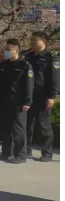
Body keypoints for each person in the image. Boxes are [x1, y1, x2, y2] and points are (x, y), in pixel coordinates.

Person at [0, 39, 33, 164]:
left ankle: (20, 155)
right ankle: (6, 152)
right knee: (5, 128)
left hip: (18, 102)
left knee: (18, 130)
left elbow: (28, 85)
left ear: (16, 51)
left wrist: (27, 102)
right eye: (5, 49)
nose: (6, 52)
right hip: (4, 101)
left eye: (9, 50)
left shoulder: (24, 65)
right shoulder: (3, 66)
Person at [24, 31, 59, 162]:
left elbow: (55, 78)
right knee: (27, 123)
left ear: (43, 41)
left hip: (43, 95)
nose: (32, 42)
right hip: (29, 95)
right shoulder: (28, 57)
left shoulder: (51, 58)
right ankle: (26, 149)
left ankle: (47, 153)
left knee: (44, 125)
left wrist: (51, 96)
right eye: (31, 40)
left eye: (35, 40)